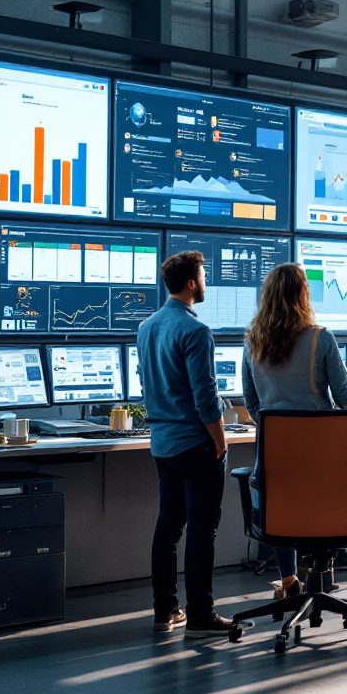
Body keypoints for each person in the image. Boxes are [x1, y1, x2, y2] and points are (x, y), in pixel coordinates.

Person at [242, 262, 347, 608]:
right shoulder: (320, 338)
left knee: (278, 502)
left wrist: (280, 430)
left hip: (276, 473)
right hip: (327, 476)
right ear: (303, 295)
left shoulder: (252, 342)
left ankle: (289, 582)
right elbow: (344, 399)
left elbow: (252, 406)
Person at [137, 250, 232, 638]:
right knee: (201, 530)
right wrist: (221, 440)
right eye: (204, 275)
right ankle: (200, 613)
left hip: (162, 444)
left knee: (168, 526)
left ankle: (165, 610)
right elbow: (205, 397)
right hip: (195, 444)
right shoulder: (196, 331)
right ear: (192, 282)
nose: (206, 281)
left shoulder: (147, 326)